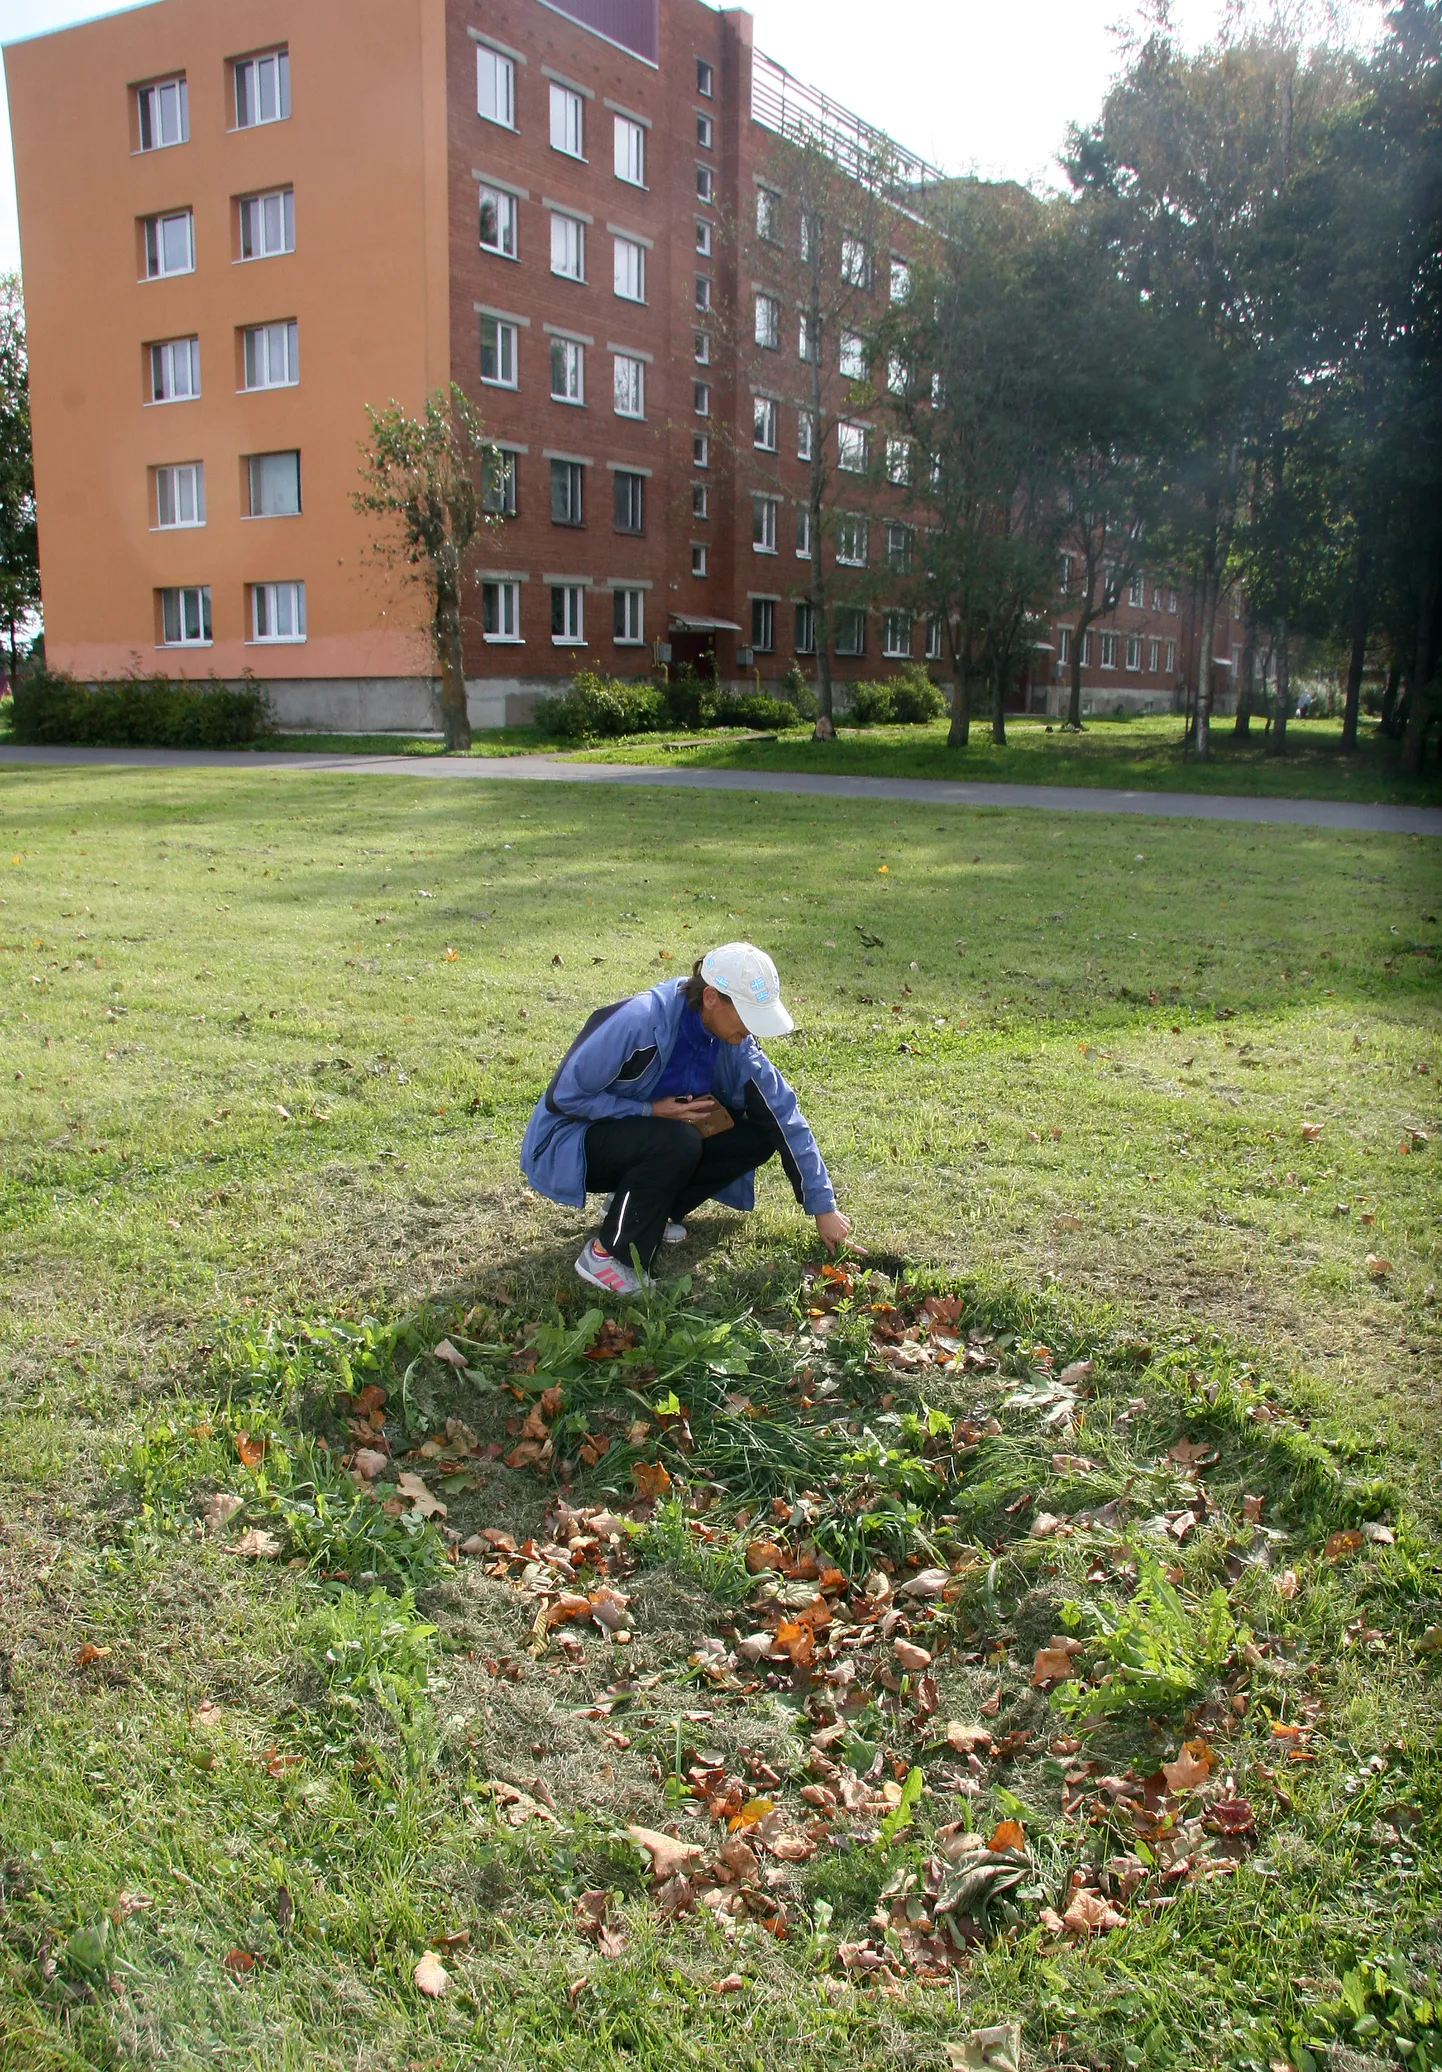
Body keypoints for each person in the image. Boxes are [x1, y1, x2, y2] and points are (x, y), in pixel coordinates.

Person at [521, 941, 851, 1295]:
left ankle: (650, 1211)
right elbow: (564, 1097)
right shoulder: (640, 1021)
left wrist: (823, 1207)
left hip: (644, 1138)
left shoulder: (736, 1043)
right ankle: (610, 1256)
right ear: (711, 998)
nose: (751, 1031)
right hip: (571, 1140)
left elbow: (784, 1115)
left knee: (757, 1132)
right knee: (676, 1139)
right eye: (746, 1016)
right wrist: (650, 1110)